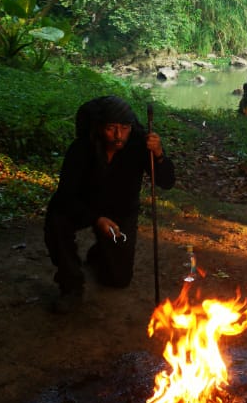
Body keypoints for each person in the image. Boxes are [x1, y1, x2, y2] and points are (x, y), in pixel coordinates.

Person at [44, 95, 175, 312]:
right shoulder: (81, 148)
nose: (118, 136)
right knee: (57, 221)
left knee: (118, 279)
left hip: (120, 210)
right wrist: (96, 219)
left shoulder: (139, 145)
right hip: (83, 207)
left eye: (124, 128)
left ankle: (98, 253)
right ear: (98, 128)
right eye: (111, 128)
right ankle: (71, 285)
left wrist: (159, 155)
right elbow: (66, 195)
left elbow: (166, 182)